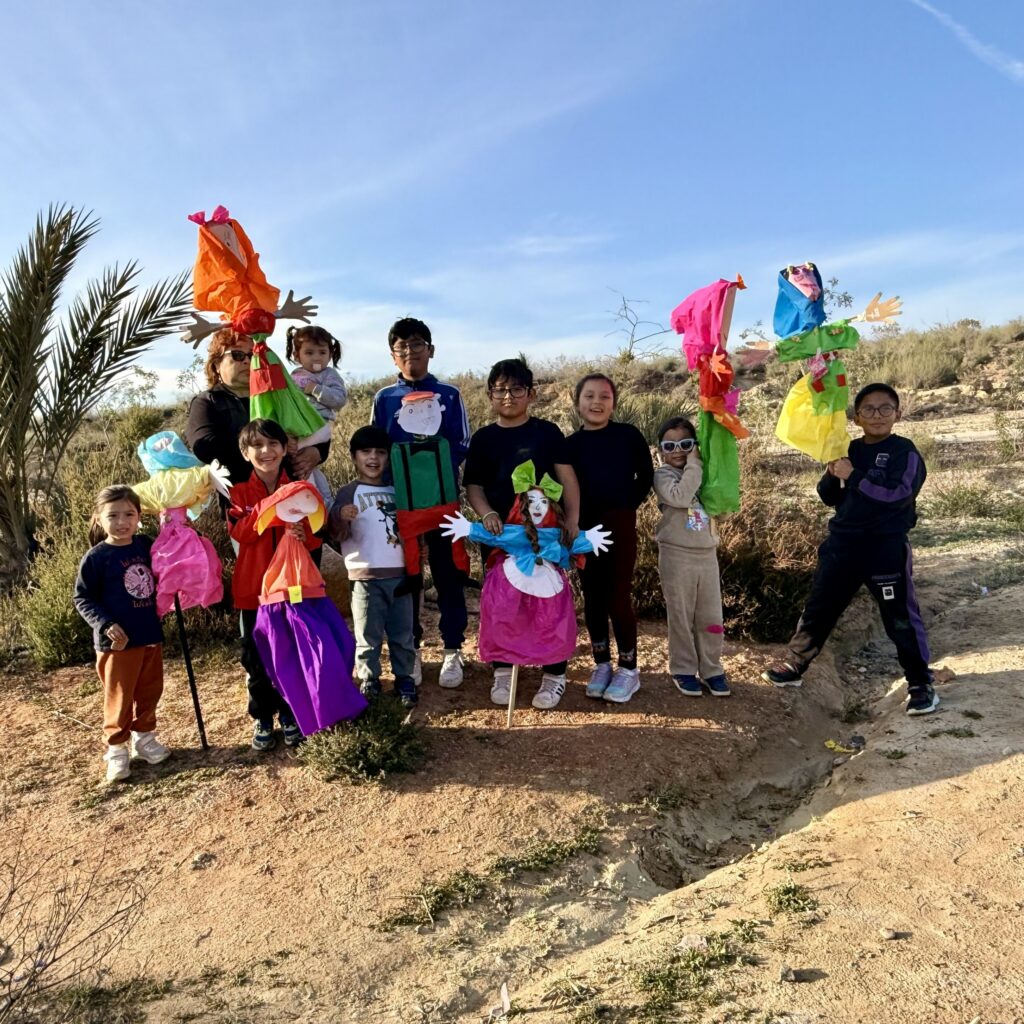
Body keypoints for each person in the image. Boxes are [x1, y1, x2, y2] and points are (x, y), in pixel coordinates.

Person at [762, 383, 937, 715]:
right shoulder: (848, 448)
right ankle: (796, 666)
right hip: (843, 545)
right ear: (856, 417)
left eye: (885, 408)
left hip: (885, 547)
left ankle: (919, 683)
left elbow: (898, 495)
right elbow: (829, 496)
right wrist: (833, 471)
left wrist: (854, 475)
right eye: (868, 409)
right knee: (820, 608)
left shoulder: (906, 452)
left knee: (899, 616)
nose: (877, 415)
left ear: (898, 414)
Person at [441, 463, 610, 710]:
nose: (538, 508)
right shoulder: (514, 531)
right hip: (510, 587)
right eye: (532, 502)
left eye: (543, 502)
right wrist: (468, 528)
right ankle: (503, 675)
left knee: (552, 626)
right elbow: (494, 536)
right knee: (505, 622)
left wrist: (588, 539)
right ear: (521, 506)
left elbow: (570, 545)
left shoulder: (557, 533)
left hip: (548, 590)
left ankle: (554, 676)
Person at [463, 358, 582, 700]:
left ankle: (554, 674)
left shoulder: (547, 433)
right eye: (500, 390)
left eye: (516, 389)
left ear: (530, 394)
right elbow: (474, 486)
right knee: (503, 604)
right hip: (501, 537)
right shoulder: (484, 439)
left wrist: (572, 520)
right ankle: (502, 671)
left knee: (549, 604)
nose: (508, 396)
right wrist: (486, 515)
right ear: (490, 395)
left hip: (545, 537)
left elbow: (567, 478)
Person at [371, 317, 471, 689]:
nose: (410, 352)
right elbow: (377, 450)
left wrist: (430, 469)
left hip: (443, 501)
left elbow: (462, 443)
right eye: (401, 348)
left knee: (448, 576)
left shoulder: (449, 393)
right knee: (407, 577)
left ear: (431, 349)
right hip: (402, 505)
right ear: (393, 356)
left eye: (416, 345)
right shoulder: (384, 398)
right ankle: (410, 649)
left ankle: (452, 650)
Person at [227, 419, 319, 750]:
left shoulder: (300, 489)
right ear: (245, 452)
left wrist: (301, 534)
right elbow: (241, 533)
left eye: (273, 444)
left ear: (284, 449)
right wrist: (270, 508)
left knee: (290, 655)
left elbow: (312, 538)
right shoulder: (237, 493)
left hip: (290, 590)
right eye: (257, 446)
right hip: (253, 592)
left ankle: (291, 713)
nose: (266, 452)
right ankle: (263, 717)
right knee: (255, 659)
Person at [565, 373, 653, 704]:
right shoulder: (570, 445)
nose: (596, 402)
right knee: (592, 597)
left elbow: (645, 475)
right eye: (589, 396)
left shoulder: (628, 435)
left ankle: (629, 669)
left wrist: (626, 504)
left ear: (614, 402)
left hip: (619, 524)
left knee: (618, 596)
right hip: (583, 530)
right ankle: (602, 664)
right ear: (577, 403)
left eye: (604, 396)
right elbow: (563, 488)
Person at [73, 485, 169, 784]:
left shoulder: (143, 545)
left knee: (150, 690)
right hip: (118, 643)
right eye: (113, 515)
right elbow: (83, 598)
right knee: (120, 696)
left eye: (129, 514)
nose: (122, 521)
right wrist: (104, 623)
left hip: (149, 634)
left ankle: (145, 739)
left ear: (140, 516)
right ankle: (116, 750)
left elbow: (168, 561)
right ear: (98, 519)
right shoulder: (97, 557)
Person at [185, 328, 330, 507]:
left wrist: (316, 452)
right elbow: (206, 447)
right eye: (237, 355)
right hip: (244, 507)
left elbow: (314, 426)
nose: (247, 360)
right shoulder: (207, 402)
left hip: (295, 500)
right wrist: (273, 440)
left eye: (252, 354)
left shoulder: (277, 393)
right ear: (216, 365)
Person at [328, 426, 418, 707]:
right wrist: (340, 516)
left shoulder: (397, 491)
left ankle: (405, 678)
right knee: (367, 634)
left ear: (388, 457)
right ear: (354, 457)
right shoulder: (348, 492)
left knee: (403, 633)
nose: (373, 458)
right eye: (366, 452)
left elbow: (411, 532)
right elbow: (334, 533)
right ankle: (369, 679)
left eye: (380, 452)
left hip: (400, 576)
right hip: (365, 577)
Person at [653, 417, 730, 698]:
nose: (677, 450)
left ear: (695, 446)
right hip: (676, 554)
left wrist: (721, 496)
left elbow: (721, 511)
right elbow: (681, 497)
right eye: (669, 445)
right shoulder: (664, 476)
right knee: (681, 615)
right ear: (660, 449)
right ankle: (683, 668)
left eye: (685, 444)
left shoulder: (702, 476)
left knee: (711, 615)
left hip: (706, 553)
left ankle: (711, 668)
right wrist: (696, 464)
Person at [285, 324, 348, 503]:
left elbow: (339, 399)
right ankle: (325, 501)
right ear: (297, 355)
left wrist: (315, 389)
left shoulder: (329, 375)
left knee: (296, 458)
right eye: (310, 353)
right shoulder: (293, 376)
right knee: (308, 469)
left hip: (319, 425)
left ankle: (316, 502)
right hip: (300, 425)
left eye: (322, 352)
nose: (317, 358)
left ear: (330, 354)